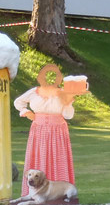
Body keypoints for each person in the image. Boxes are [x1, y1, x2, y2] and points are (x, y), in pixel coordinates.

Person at [13, 64, 88, 197]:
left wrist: (68, 101)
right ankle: (36, 193)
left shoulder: (62, 93)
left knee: (57, 158)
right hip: (39, 128)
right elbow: (18, 102)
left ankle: (59, 192)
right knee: (39, 156)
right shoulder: (34, 92)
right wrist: (26, 112)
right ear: (41, 77)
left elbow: (68, 115)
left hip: (57, 130)